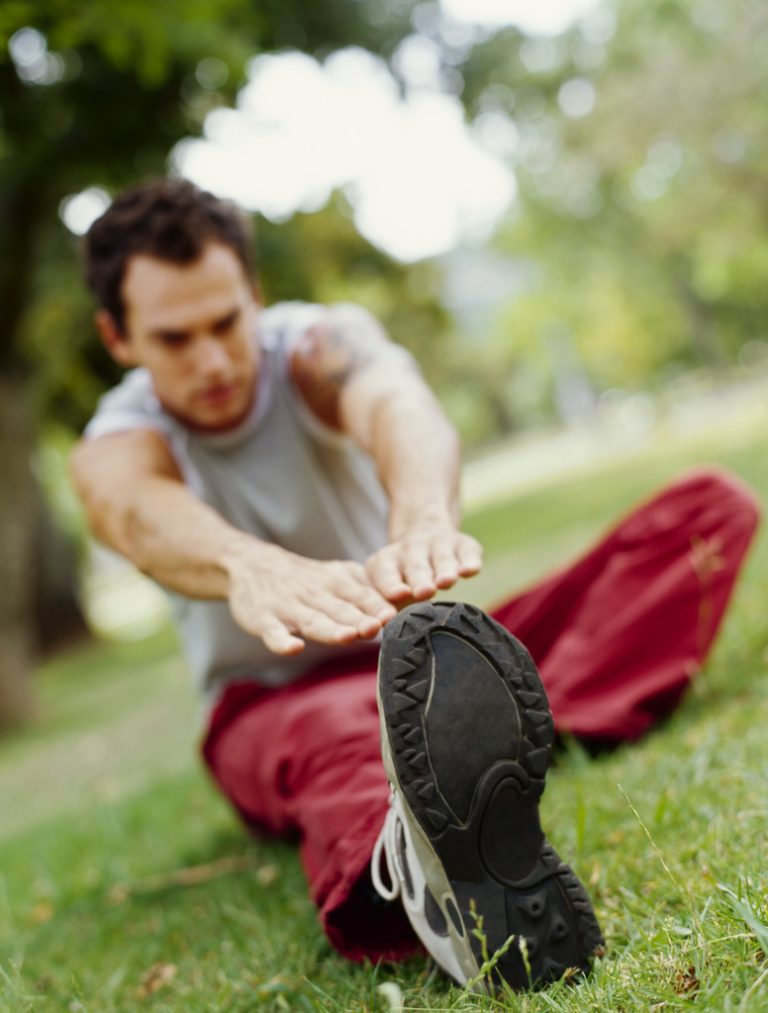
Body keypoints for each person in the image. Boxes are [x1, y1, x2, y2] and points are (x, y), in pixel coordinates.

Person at [71, 178, 760, 993]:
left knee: (703, 513)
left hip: (424, 664)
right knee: (340, 729)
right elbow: (132, 505)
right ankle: (415, 852)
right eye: (176, 338)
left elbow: (398, 406)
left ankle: (479, 747)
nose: (214, 359)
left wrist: (424, 517)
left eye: (226, 322)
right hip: (271, 701)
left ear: (254, 294)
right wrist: (248, 565)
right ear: (117, 336)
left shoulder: (314, 347)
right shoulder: (120, 436)